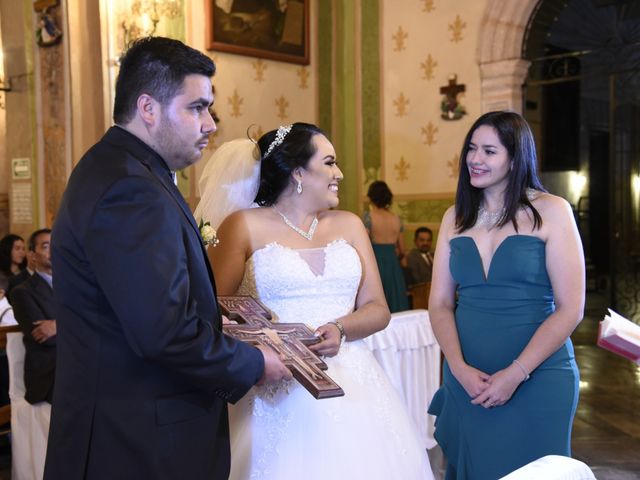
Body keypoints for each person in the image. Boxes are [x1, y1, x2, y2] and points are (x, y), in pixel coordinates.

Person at [45, 37, 290, 480]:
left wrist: (214, 319)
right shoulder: (130, 189)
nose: (211, 124)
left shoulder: (122, 169)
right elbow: (164, 333)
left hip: (128, 429)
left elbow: (139, 304)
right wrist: (254, 364)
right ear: (148, 108)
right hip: (138, 443)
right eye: (197, 108)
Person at [196, 123, 434, 480]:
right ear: (298, 173)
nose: (339, 173)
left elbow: (378, 308)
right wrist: (263, 347)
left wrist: (340, 328)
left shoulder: (350, 225)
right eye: (329, 162)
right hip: (276, 382)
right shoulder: (243, 225)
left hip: (355, 383)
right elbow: (213, 312)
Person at [428, 111, 584, 479]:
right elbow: (439, 304)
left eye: (489, 151)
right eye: (471, 148)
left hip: (539, 378)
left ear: (515, 159)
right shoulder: (455, 217)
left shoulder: (552, 211)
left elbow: (571, 308)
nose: (475, 159)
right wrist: (459, 369)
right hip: (469, 382)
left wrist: (516, 373)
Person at [9, 229, 57, 405]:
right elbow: (45, 338)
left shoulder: (74, 287)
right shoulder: (22, 292)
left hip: (79, 362)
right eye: (46, 246)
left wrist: (57, 325)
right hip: (50, 372)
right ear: (33, 255)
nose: (53, 251)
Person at [363, 180, 409, 312]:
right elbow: (402, 249)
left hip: (375, 261)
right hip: (393, 264)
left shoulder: (369, 217)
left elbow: (364, 243)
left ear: (371, 197)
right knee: (395, 300)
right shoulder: (396, 219)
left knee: (376, 301)